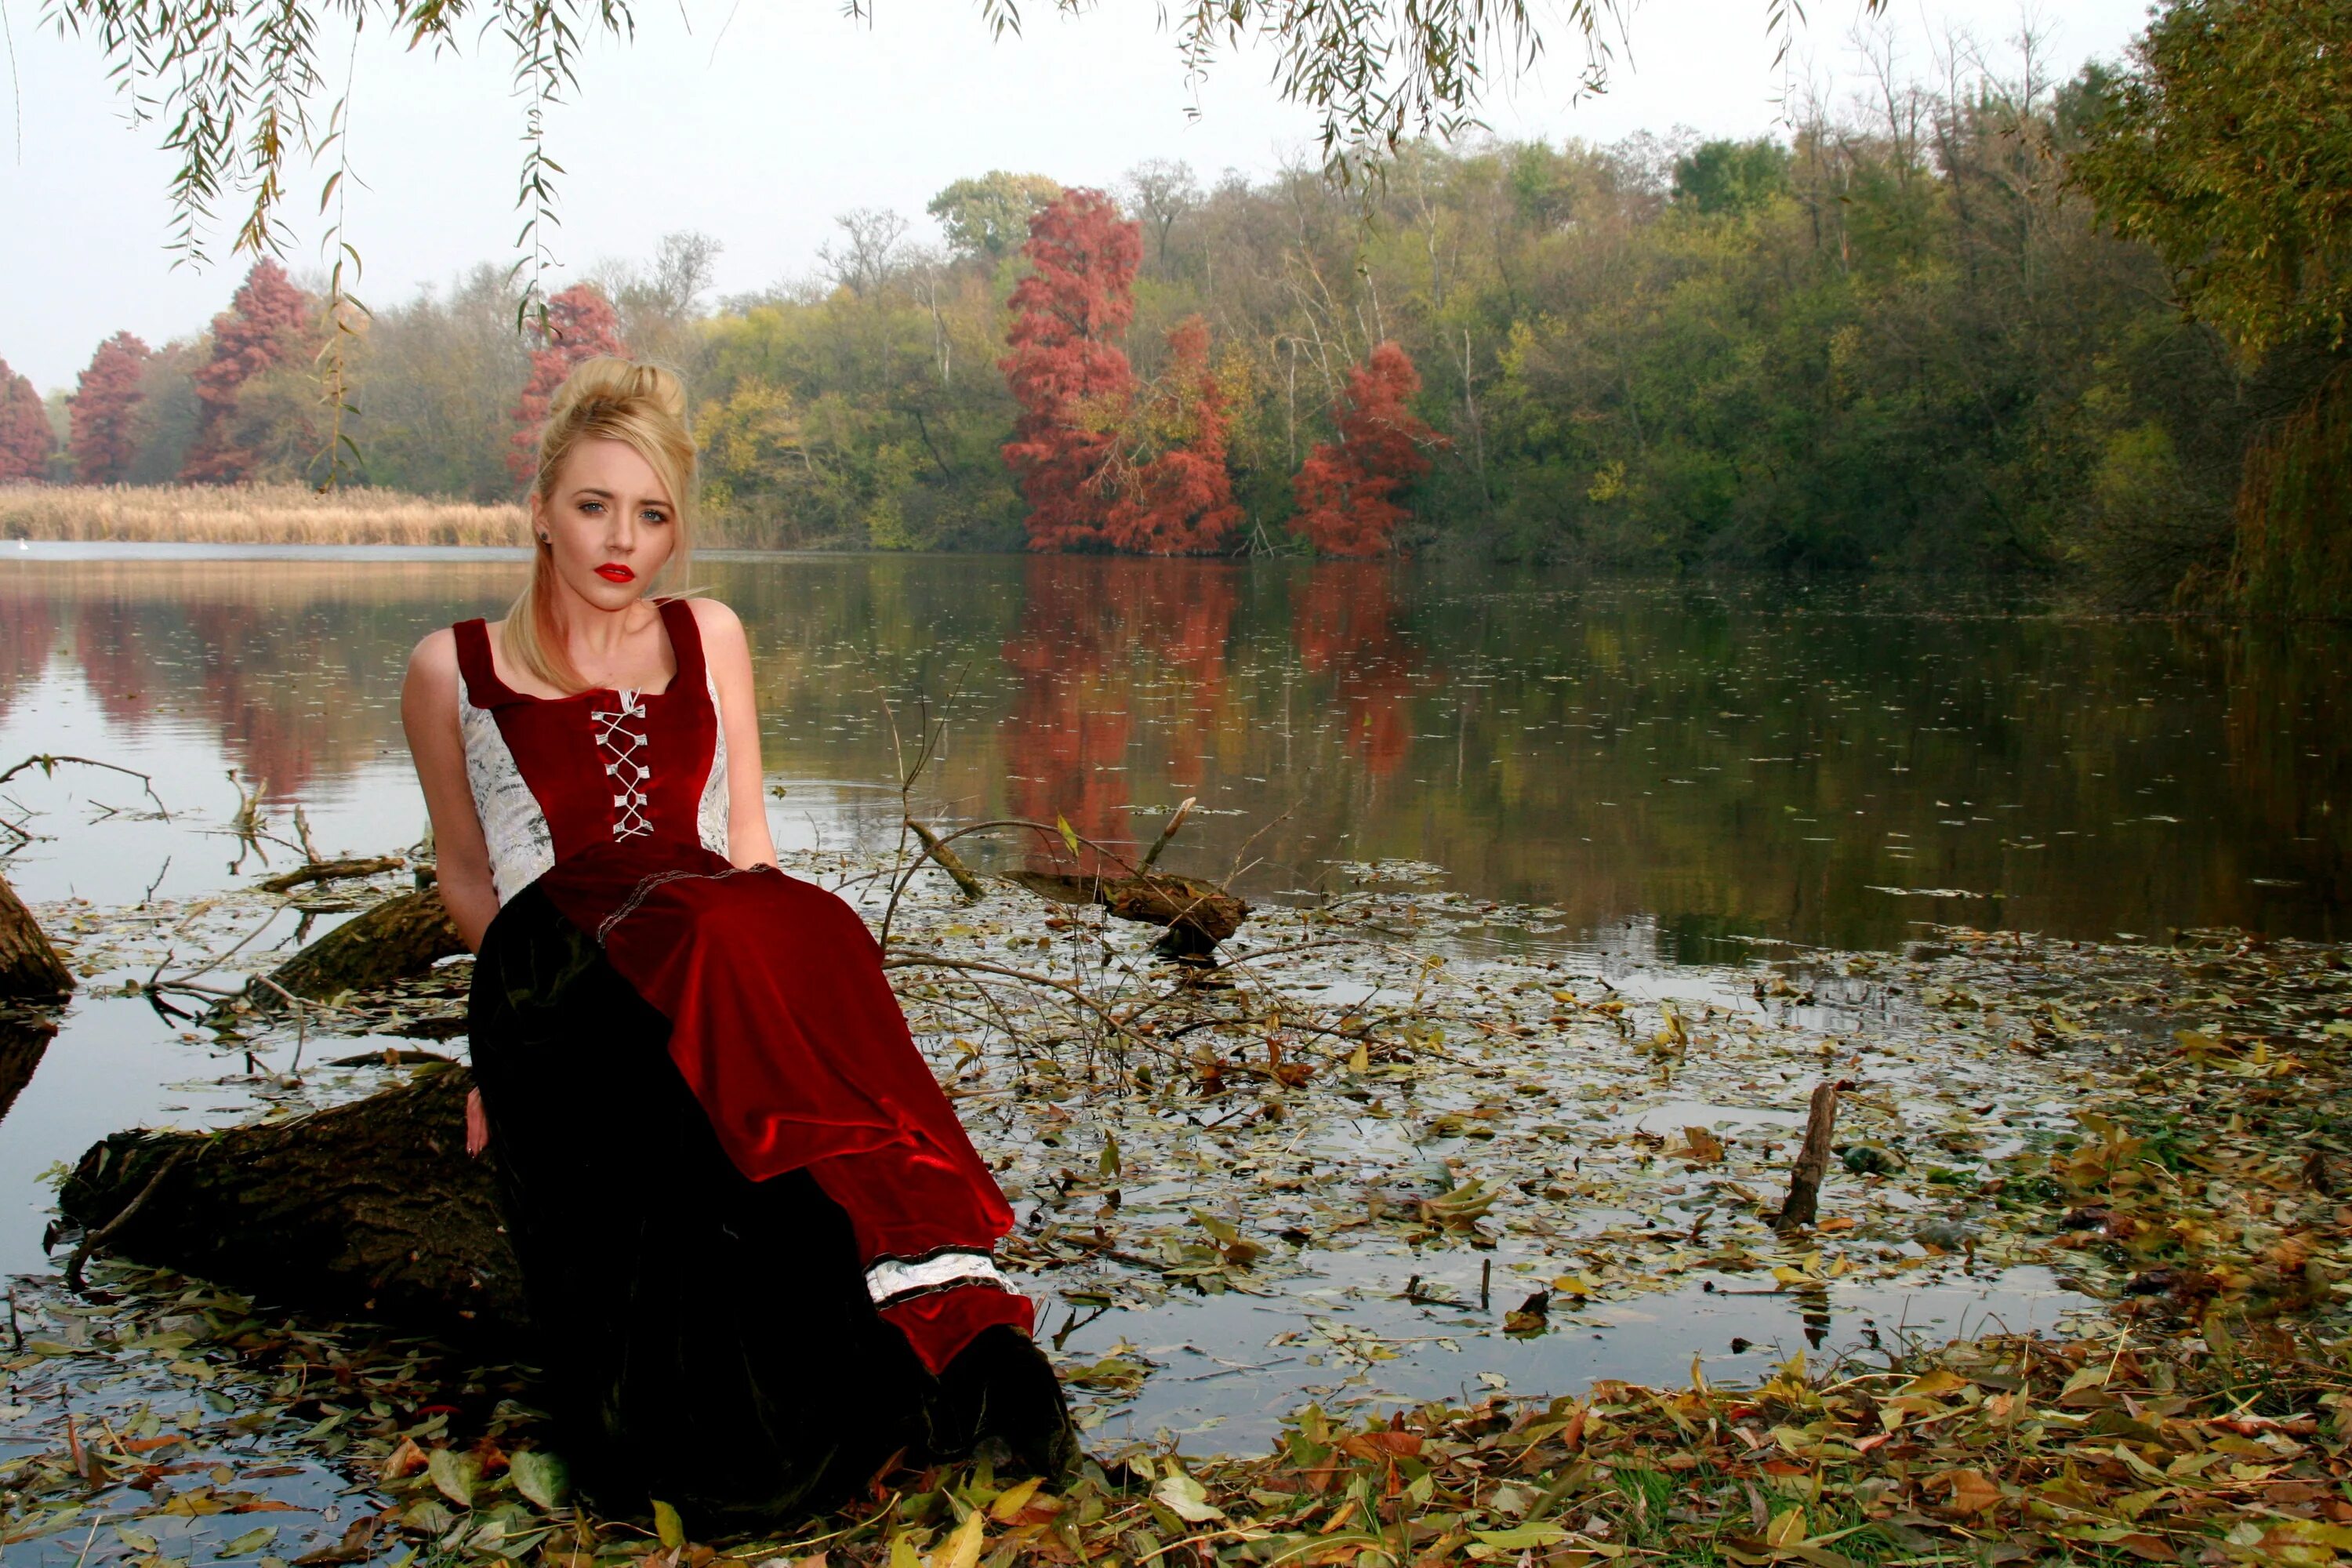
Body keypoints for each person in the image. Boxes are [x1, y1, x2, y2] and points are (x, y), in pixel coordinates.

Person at [400, 357, 1073, 1523]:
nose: (621, 538)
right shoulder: (453, 665)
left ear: (676, 533)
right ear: (542, 512)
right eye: (594, 505)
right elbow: (467, 880)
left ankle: (926, 1269)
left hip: (705, 937)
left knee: (796, 913)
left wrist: (790, 981)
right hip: (555, 962)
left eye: (652, 514)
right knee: (724, 923)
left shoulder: (709, 634)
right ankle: (917, 1268)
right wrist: (495, 1056)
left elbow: (747, 838)